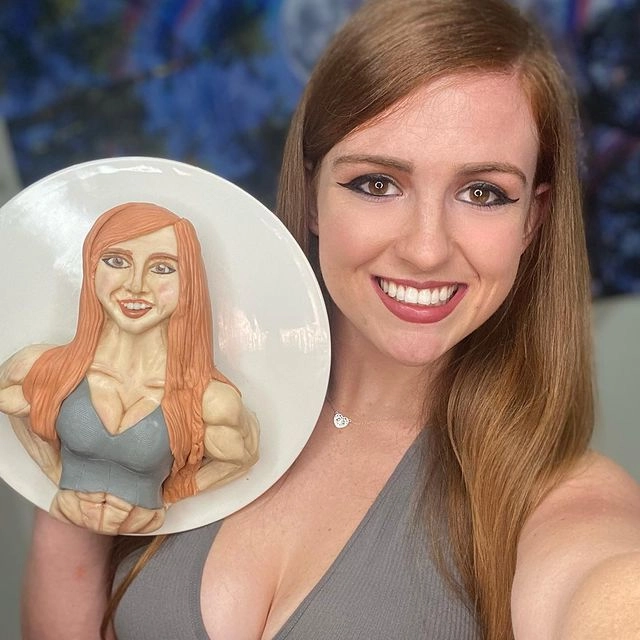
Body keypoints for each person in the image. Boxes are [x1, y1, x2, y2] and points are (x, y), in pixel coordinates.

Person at [19, 0, 640, 638]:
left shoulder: (565, 504)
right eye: (377, 184)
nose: (426, 249)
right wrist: (75, 455)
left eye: (482, 193)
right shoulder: (184, 402)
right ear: (313, 193)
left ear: (532, 220)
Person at [0, 202, 259, 535]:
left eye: (162, 268)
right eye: (117, 261)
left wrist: (172, 496)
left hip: (156, 543)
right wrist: (53, 471)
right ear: (92, 268)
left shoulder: (209, 402)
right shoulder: (41, 369)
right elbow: (10, 403)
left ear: (189, 281)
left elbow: (242, 457)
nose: (136, 285)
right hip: (61, 528)